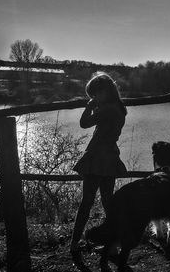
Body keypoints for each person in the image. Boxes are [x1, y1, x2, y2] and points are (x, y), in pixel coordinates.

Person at [70, 72, 127, 260]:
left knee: (86, 202)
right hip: (109, 157)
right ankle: (114, 244)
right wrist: (96, 104)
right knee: (107, 201)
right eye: (91, 96)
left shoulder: (107, 110)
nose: (93, 98)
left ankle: (74, 243)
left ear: (105, 91)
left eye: (95, 94)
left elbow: (84, 123)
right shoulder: (118, 107)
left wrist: (88, 107)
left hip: (97, 158)